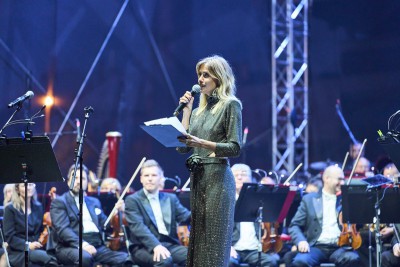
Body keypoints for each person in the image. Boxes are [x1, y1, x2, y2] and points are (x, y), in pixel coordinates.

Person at [176, 55, 242, 266]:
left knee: (214, 245)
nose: (200, 80)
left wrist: (203, 144)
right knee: (198, 242)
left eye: (206, 75)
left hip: (219, 180)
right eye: (199, 75)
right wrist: (186, 113)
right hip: (199, 179)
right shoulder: (197, 111)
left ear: (219, 77)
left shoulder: (230, 105)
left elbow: (234, 147)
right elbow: (182, 147)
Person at [50, 164, 130, 267]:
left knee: (126, 259)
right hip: (70, 246)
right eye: (75, 178)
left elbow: (105, 225)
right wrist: (83, 245)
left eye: (82, 178)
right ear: (69, 181)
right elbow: (63, 230)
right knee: (85, 258)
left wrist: (118, 212)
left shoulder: (94, 202)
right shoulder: (60, 202)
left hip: (97, 245)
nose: (78, 181)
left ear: (87, 182)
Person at [288, 165, 361, 267]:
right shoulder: (309, 200)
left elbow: (358, 223)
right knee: (300, 261)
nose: (343, 183)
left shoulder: (346, 199)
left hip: (340, 247)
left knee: (352, 258)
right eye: (339, 179)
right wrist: (301, 241)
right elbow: (294, 225)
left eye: (343, 180)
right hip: (316, 247)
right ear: (326, 179)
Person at [125, 159, 191, 267]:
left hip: (169, 244)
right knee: (165, 260)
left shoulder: (171, 198)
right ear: (141, 179)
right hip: (143, 247)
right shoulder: (132, 200)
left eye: (154, 175)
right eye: (146, 176)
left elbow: (186, 216)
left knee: (192, 257)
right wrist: (156, 246)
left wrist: (203, 210)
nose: (150, 179)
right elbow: (138, 227)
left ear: (161, 178)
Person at [230, 163, 279, 267]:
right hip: (233, 248)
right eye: (236, 175)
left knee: (271, 262)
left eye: (243, 174)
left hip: (254, 250)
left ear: (251, 179)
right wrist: (226, 248)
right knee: (228, 263)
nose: (239, 177)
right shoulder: (225, 202)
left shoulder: (259, 200)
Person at [3, 183, 57, 266]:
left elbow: (41, 230)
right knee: (48, 259)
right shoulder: (10, 209)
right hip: (19, 252)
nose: (28, 188)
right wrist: (28, 245)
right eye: (24, 185)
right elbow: (10, 237)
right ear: (17, 189)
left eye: (30, 185)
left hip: (37, 248)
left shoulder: (38, 207)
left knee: (51, 258)